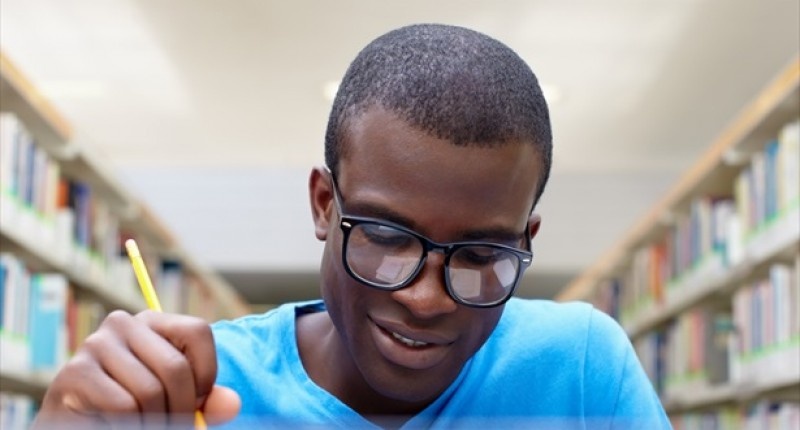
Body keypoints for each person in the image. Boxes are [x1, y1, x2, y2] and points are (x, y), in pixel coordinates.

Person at [33, 23, 671, 429]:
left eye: (478, 256)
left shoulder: (582, 370)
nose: (424, 298)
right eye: (388, 238)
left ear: (525, 242)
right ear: (322, 205)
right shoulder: (186, 391)